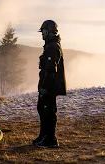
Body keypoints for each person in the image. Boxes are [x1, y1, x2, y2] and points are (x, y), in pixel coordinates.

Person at [33, 20, 67, 148]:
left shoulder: (53, 46)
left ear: (48, 32)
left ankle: (50, 139)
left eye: (43, 32)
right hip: (47, 86)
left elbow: (51, 69)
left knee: (48, 111)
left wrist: (44, 87)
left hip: (50, 87)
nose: (42, 35)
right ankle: (43, 136)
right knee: (42, 109)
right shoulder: (50, 45)